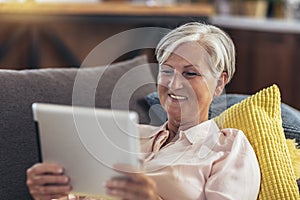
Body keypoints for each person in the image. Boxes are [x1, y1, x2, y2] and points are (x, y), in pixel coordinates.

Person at [26, 22, 261, 200]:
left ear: (219, 83)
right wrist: (52, 192)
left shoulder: (227, 149)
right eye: (167, 71)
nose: (174, 84)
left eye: (190, 74)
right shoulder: (127, 134)